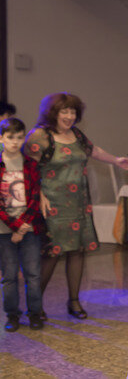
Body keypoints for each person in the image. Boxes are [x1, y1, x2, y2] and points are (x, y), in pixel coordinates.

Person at [24, 92, 128, 320]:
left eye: (73, 111)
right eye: (65, 111)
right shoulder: (40, 136)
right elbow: (26, 170)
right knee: (51, 254)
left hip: (79, 204)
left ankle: (74, 301)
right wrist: (38, 194)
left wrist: (116, 160)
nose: (69, 116)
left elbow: (94, 151)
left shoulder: (77, 135)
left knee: (77, 251)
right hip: (51, 206)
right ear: (53, 113)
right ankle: (34, 305)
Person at [0, 118, 44, 331]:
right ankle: (12, 315)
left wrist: (23, 225)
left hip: (29, 228)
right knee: (8, 276)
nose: (15, 142)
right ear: (1, 138)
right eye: (10, 137)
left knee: (33, 274)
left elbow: (35, 197)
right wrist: (14, 226)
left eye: (19, 137)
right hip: (4, 230)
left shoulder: (30, 164)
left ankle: (35, 313)